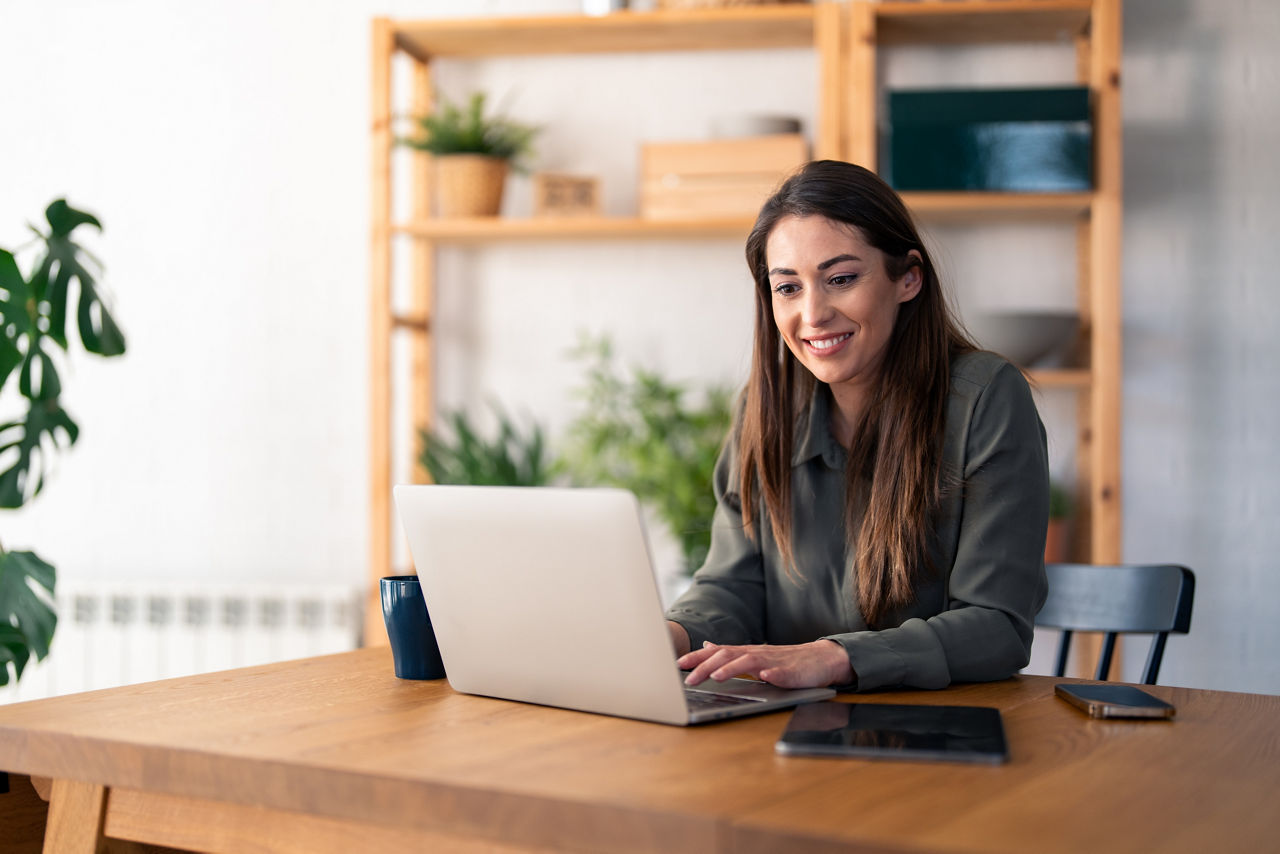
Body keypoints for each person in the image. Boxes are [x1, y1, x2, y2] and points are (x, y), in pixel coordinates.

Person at [666, 160, 1049, 692]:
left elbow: (998, 625)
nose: (814, 313)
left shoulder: (985, 398)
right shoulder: (762, 408)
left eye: (841, 279)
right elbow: (732, 587)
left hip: (936, 734)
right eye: (788, 288)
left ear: (908, 277)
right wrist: (671, 635)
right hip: (782, 727)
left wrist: (835, 658)